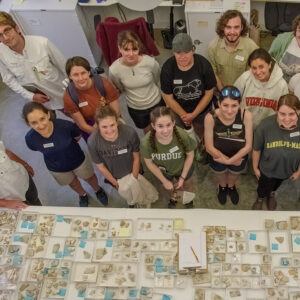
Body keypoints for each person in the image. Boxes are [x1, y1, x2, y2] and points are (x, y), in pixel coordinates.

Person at [23, 102, 108, 207]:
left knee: (89, 177)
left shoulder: (65, 126)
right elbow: (35, 148)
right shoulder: (30, 139)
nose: (40, 125)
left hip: (78, 160)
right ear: (28, 124)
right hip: (57, 168)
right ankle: (82, 194)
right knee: (72, 183)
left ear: (48, 115)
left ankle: (98, 190)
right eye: (34, 123)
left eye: (42, 119)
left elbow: (77, 137)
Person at [88, 106, 157, 207]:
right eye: (104, 127)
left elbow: (136, 157)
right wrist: (115, 183)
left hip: (133, 170)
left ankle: (141, 202)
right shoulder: (93, 141)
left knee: (140, 189)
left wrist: (134, 177)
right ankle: (131, 202)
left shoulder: (129, 133)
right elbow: (100, 166)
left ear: (117, 121)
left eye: (112, 125)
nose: (109, 130)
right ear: (97, 126)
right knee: (126, 194)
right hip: (114, 176)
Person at [0, 11, 66, 110]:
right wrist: (30, 96)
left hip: (62, 92)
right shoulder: (1, 54)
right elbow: (8, 80)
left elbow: (65, 67)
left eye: (7, 30)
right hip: (41, 99)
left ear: (17, 28)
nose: (5, 38)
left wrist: (72, 90)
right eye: (0, 35)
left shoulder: (42, 43)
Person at [160, 33, 216, 141]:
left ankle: (201, 148)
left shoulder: (203, 65)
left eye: (186, 52)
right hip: (178, 109)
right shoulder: (167, 68)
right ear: (173, 53)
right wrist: (184, 115)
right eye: (178, 53)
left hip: (201, 108)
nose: (182, 57)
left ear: (193, 50)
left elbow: (209, 92)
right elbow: (167, 97)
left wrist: (194, 114)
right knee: (180, 133)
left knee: (201, 130)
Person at [204, 86, 253, 205]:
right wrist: (228, 161)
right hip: (217, 155)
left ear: (240, 104)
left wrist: (232, 160)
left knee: (234, 174)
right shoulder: (211, 117)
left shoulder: (245, 116)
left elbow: (248, 145)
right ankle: (222, 187)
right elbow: (209, 146)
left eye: (234, 105)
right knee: (220, 174)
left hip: (238, 156)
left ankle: (231, 186)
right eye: (225, 105)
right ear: (218, 103)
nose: (229, 110)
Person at [140, 106, 197, 208]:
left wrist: (182, 177)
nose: (165, 130)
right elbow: (149, 163)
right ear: (153, 126)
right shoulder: (146, 143)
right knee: (168, 188)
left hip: (183, 168)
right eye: (160, 126)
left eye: (168, 125)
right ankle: (173, 198)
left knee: (187, 185)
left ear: (174, 123)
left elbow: (190, 154)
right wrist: (164, 181)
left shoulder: (182, 135)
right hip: (163, 172)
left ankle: (188, 200)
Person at [251, 94, 300, 210]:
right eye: (282, 114)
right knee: (263, 186)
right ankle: (260, 198)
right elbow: (256, 149)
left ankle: (271, 194)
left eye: (292, 114)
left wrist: (298, 171)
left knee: (276, 185)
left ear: (298, 111)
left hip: (287, 170)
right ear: (276, 111)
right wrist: (255, 168)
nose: (287, 119)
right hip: (267, 170)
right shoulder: (265, 125)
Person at [109, 31, 164, 133]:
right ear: (119, 48)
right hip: (136, 108)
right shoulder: (114, 70)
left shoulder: (150, 62)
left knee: (163, 129)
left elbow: (156, 79)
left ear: (139, 48)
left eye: (134, 49)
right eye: (126, 49)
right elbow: (120, 88)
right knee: (148, 133)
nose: (131, 54)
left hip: (156, 103)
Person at [63, 56, 120, 140]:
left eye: (83, 73)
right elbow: (82, 125)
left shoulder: (103, 84)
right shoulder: (69, 97)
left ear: (89, 72)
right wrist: (101, 134)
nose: (81, 78)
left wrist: (109, 128)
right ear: (70, 76)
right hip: (89, 127)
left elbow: (116, 111)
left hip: (111, 119)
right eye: (75, 75)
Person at [235, 48, 288, 128]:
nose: (258, 72)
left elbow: (285, 111)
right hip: (245, 126)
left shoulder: (281, 85)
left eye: (261, 67)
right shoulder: (245, 78)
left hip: (269, 129)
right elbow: (231, 100)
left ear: (269, 64)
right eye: (254, 68)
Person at [207, 10, 258, 91]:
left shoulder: (252, 47)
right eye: (228, 27)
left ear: (242, 27)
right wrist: (223, 92)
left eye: (236, 27)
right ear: (223, 28)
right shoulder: (213, 47)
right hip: (220, 91)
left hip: (243, 91)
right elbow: (213, 73)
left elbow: (252, 75)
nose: (232, 32)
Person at [0, 140, 41, 210]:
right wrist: (5, 203)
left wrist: (24, 164)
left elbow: (5, 151)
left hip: (24, 180)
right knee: (29, 214)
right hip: (10, 198)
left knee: (36, 202)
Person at [269, 14, 300, 83]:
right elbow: (268, 59)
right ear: (295, 29)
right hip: (277, 84)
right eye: (299, 29)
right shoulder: (282, 39)